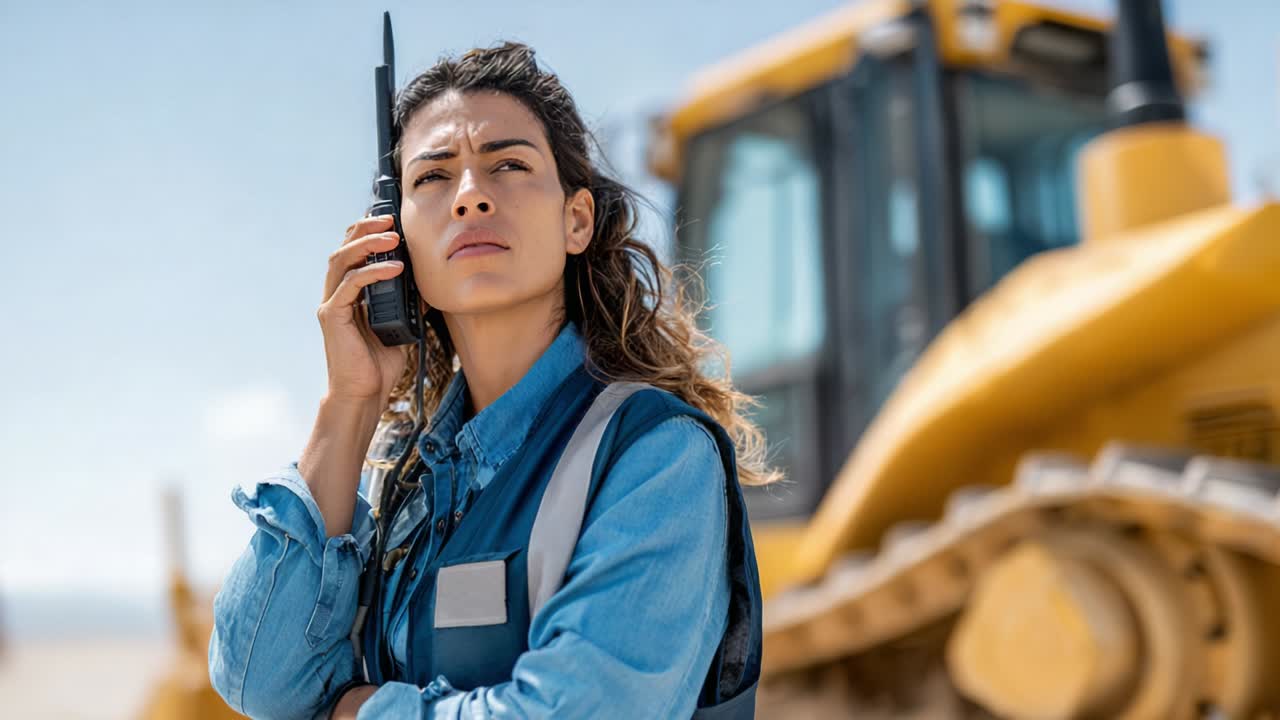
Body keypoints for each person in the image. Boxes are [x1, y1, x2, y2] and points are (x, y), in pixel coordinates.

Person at [208, 41, 779, 720]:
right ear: (392, 243)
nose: (472, 197)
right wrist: (351, 404)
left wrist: (361, 713)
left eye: (508, 165)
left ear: (576, 219)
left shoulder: (653, 454)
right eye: (433, 178)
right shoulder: (402, 482)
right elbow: (258, 683)